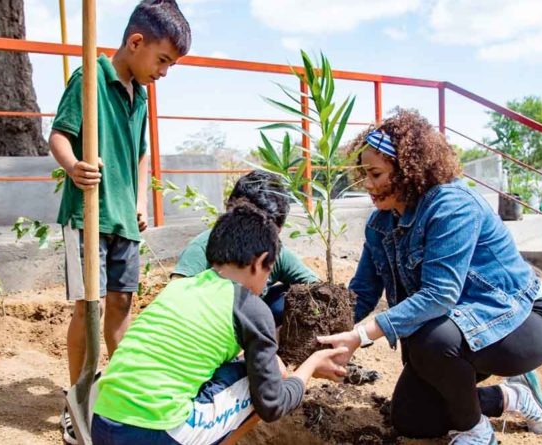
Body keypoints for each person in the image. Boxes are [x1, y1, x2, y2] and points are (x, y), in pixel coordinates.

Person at [318, 109, 542, 444]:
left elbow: (439, 295)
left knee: (428, 339)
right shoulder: (380, 225)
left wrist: (360, 335)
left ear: (407, 170)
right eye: (363, 175)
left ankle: (476, 432)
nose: (368, 186)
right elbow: (361, 292)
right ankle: (512, 397)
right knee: (412, 419)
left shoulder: (452, 206)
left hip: (517, 323)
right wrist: (325, 338)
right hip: (456, 331)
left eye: (375, 174)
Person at [49, 1, 191, 442]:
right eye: (163, 60)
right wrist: (73, 166)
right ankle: (79, 397)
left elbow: (141, 154)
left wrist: (140, 199)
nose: (164, 72)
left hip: (124, 220)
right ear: (135, 42)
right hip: (87, 216)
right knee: (86, 309)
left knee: (122, 305)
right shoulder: (89, 78)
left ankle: (123, 393)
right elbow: (58, 134)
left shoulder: (142, 96)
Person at [92, 202, 347, 445]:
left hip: (102, 421)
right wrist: (310, 366)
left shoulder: (180, 288)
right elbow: (272, 404)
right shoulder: (251, 308)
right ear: (261, 261)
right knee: (260, 380)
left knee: (233, 367)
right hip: (154, 434)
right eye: (270, 270)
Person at [171, 170, 319, 326]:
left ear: (278, 230)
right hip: (209, 325)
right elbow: (174, 302)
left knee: (288, 298)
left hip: (249, 323)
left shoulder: (277, 253)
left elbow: (317, 287)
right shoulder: (201, 249)